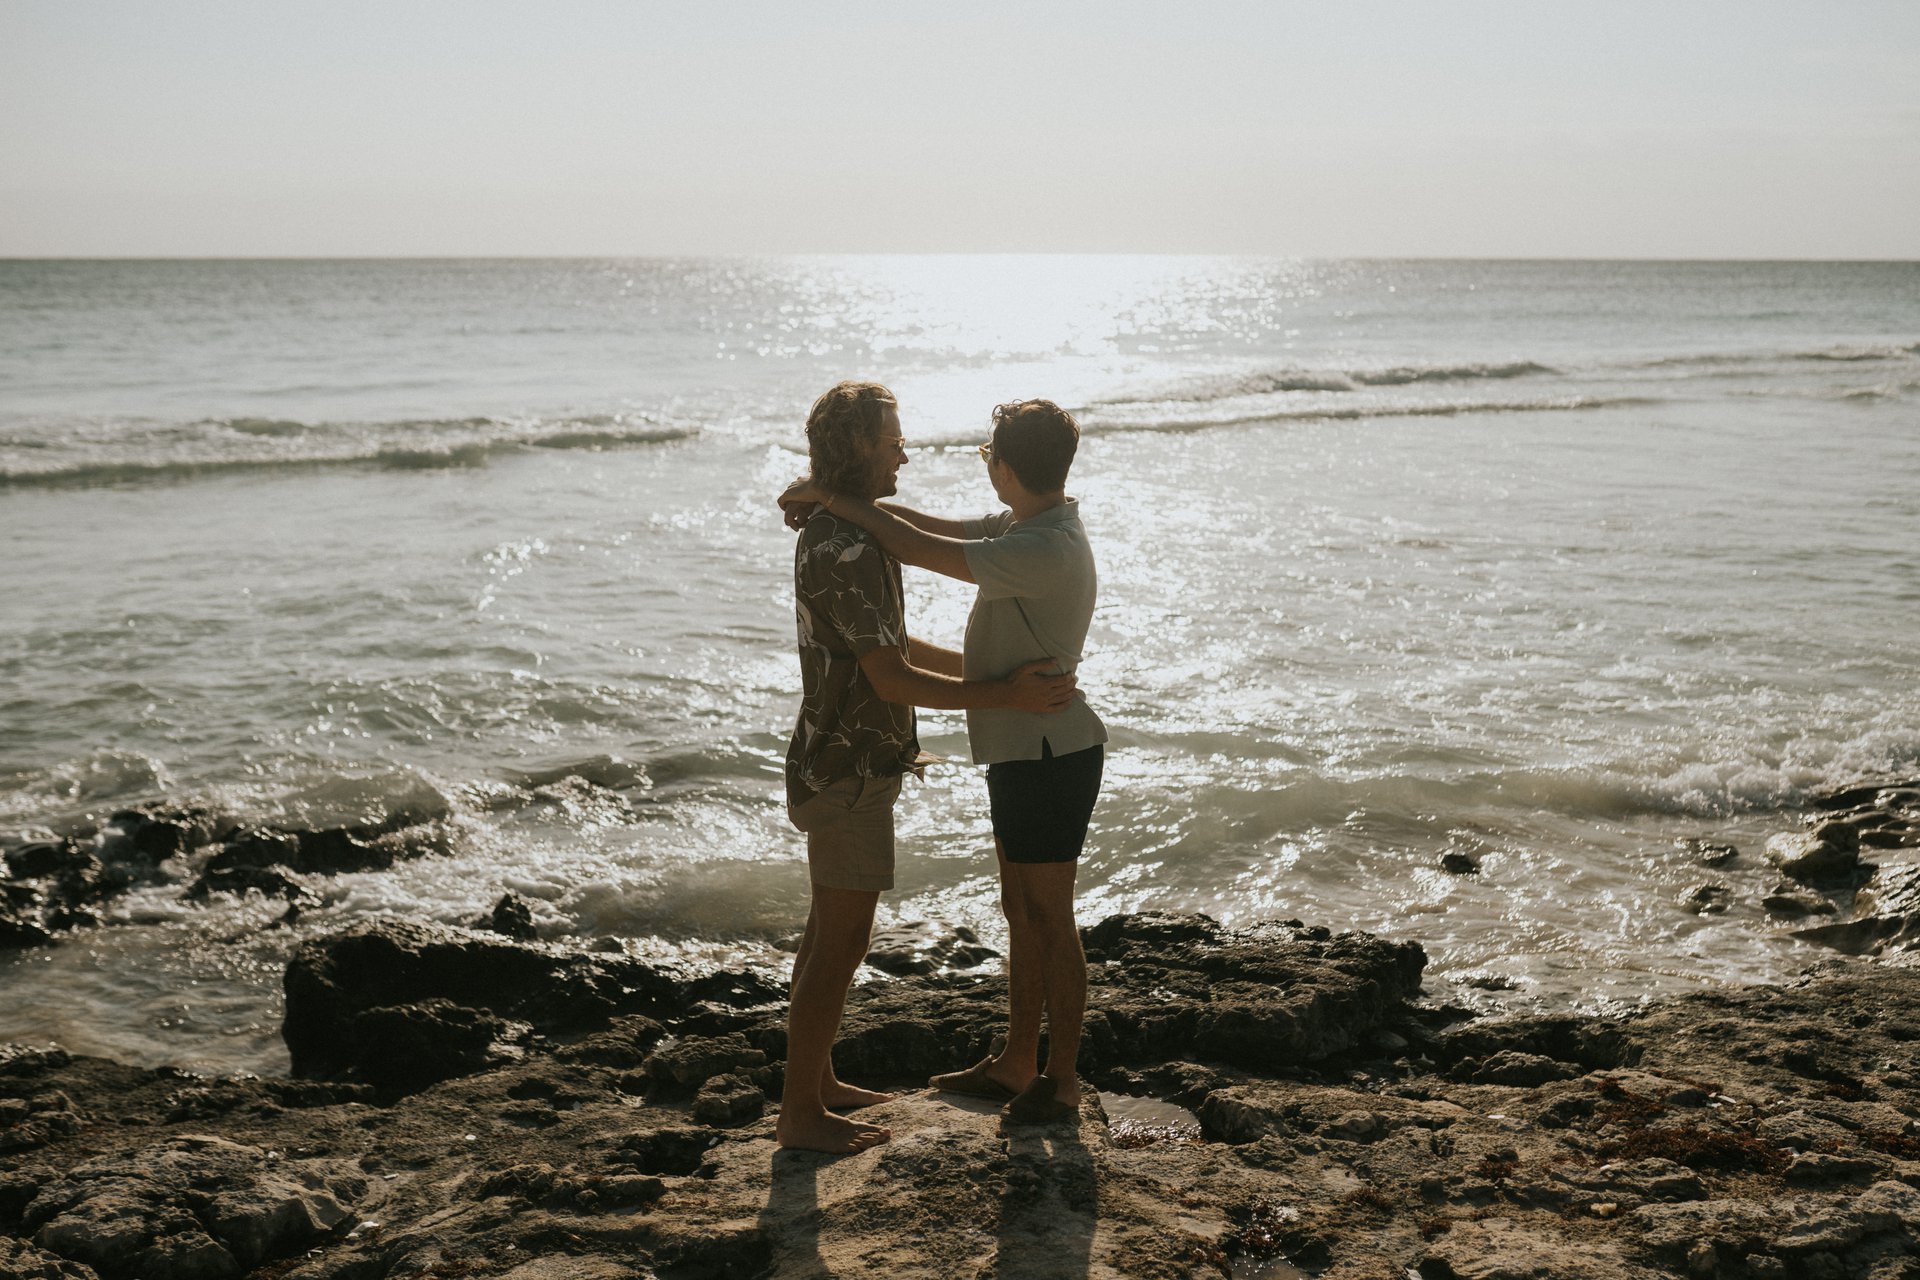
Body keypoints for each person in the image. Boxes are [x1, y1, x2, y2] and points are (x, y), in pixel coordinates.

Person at [780, 398, 1105, 1126]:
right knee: (1021, 909)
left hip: (1050, 749)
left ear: (1003, 468)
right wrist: (830, 498)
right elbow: (921, 530)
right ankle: (1017, 1062)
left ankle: (1060, 1080)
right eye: (894, 442)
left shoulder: (1043, 545)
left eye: (987, 453)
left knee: (1049, 914)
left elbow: (916, 547)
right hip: (1018, 746)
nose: (905, 454)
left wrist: (829, 495)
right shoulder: (1024, 527)